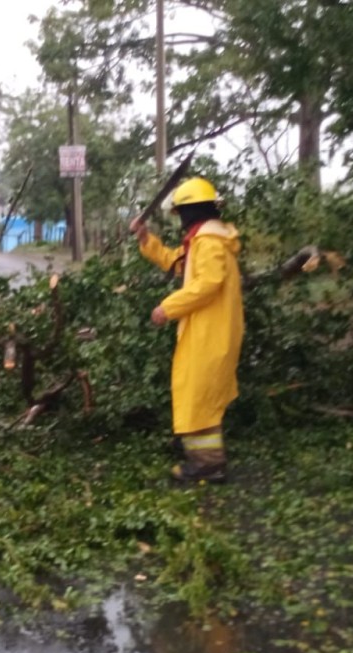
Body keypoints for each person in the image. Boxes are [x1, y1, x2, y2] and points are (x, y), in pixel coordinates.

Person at [129, 177, 244, 483]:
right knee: (195, 391)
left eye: (180, 212)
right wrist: (146, 239)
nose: (179, 219)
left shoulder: (208, 243)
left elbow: (207, 284)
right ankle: (195, 449)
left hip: (211, 333)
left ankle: (208, 464)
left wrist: (168, 308)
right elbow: (177, 264)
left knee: (199, 394)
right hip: (206, 330)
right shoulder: (203, 240)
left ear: (191, 211)